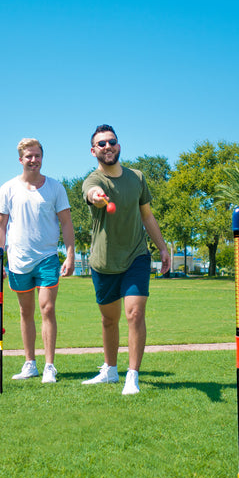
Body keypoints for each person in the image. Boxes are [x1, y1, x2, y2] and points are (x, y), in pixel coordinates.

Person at [82, 124, 170, 395]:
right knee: (109, 320)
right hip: (104, 261)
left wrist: (163, 249)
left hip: (137, 256)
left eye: (112, 142)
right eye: (102, 144)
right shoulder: (93, 180)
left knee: (134, 313)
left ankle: (132, 375)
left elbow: (147, 215)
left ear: (119, 145)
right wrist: (97, 198)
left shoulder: (137, 177)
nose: (107, 146)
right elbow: (91, 194)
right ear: (93, 151)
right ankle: (109, 370)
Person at [0, 138, 75, 383]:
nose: (33, 160)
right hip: (18, 260)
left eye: (37, 155)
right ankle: (30, 363)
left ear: (42, 157)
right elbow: (0, 226)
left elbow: (67, 223)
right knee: (25, 311)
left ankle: (50, 366)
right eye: (29, 156)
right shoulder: (7, 188)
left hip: (47, 257)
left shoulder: (55, 188)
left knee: (47, 308)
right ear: (21, 159)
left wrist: (70, 254)